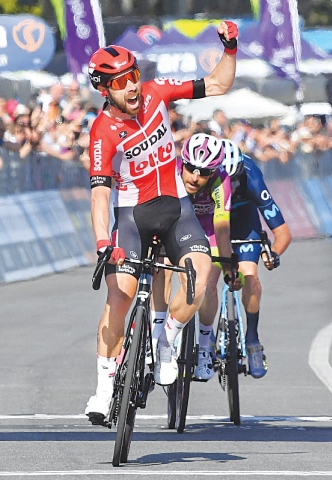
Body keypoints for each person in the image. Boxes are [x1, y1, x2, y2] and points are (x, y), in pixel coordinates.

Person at [84, 20, 239, 425]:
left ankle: (165, 341)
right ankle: (103, 389)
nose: (132, 87)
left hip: (176, 209)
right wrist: (103, 241)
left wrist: (231, 48)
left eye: (133, 76)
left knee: (200, 274)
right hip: (132, 215)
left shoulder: (156, 94)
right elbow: (100, 193)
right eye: (120, 83)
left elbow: (218, 85)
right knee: (120, 296)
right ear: (105, 90)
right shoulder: (103, 131)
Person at [151, 133, 242, 382]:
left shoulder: (220, 180)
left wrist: (226, 266)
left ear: (213, 172)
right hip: (174, 223)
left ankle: (203, 347)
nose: (195, 177)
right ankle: (157, 331)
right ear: (184, 162)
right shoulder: (171, 169)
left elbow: (222, 225)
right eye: (191, 168)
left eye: (204, 172)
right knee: (163, 266)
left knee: (209, 283)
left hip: (206, 229)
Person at [221, 138, 292, 378]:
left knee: (249, 277)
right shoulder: (203, 176)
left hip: (243, 220)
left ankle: (252, 339)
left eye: (233, 180)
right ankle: (205, 337)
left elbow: (282, 233)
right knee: (207, 278)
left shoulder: (252, 178)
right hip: (211, 218)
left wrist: (273, 254)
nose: (228, 185)